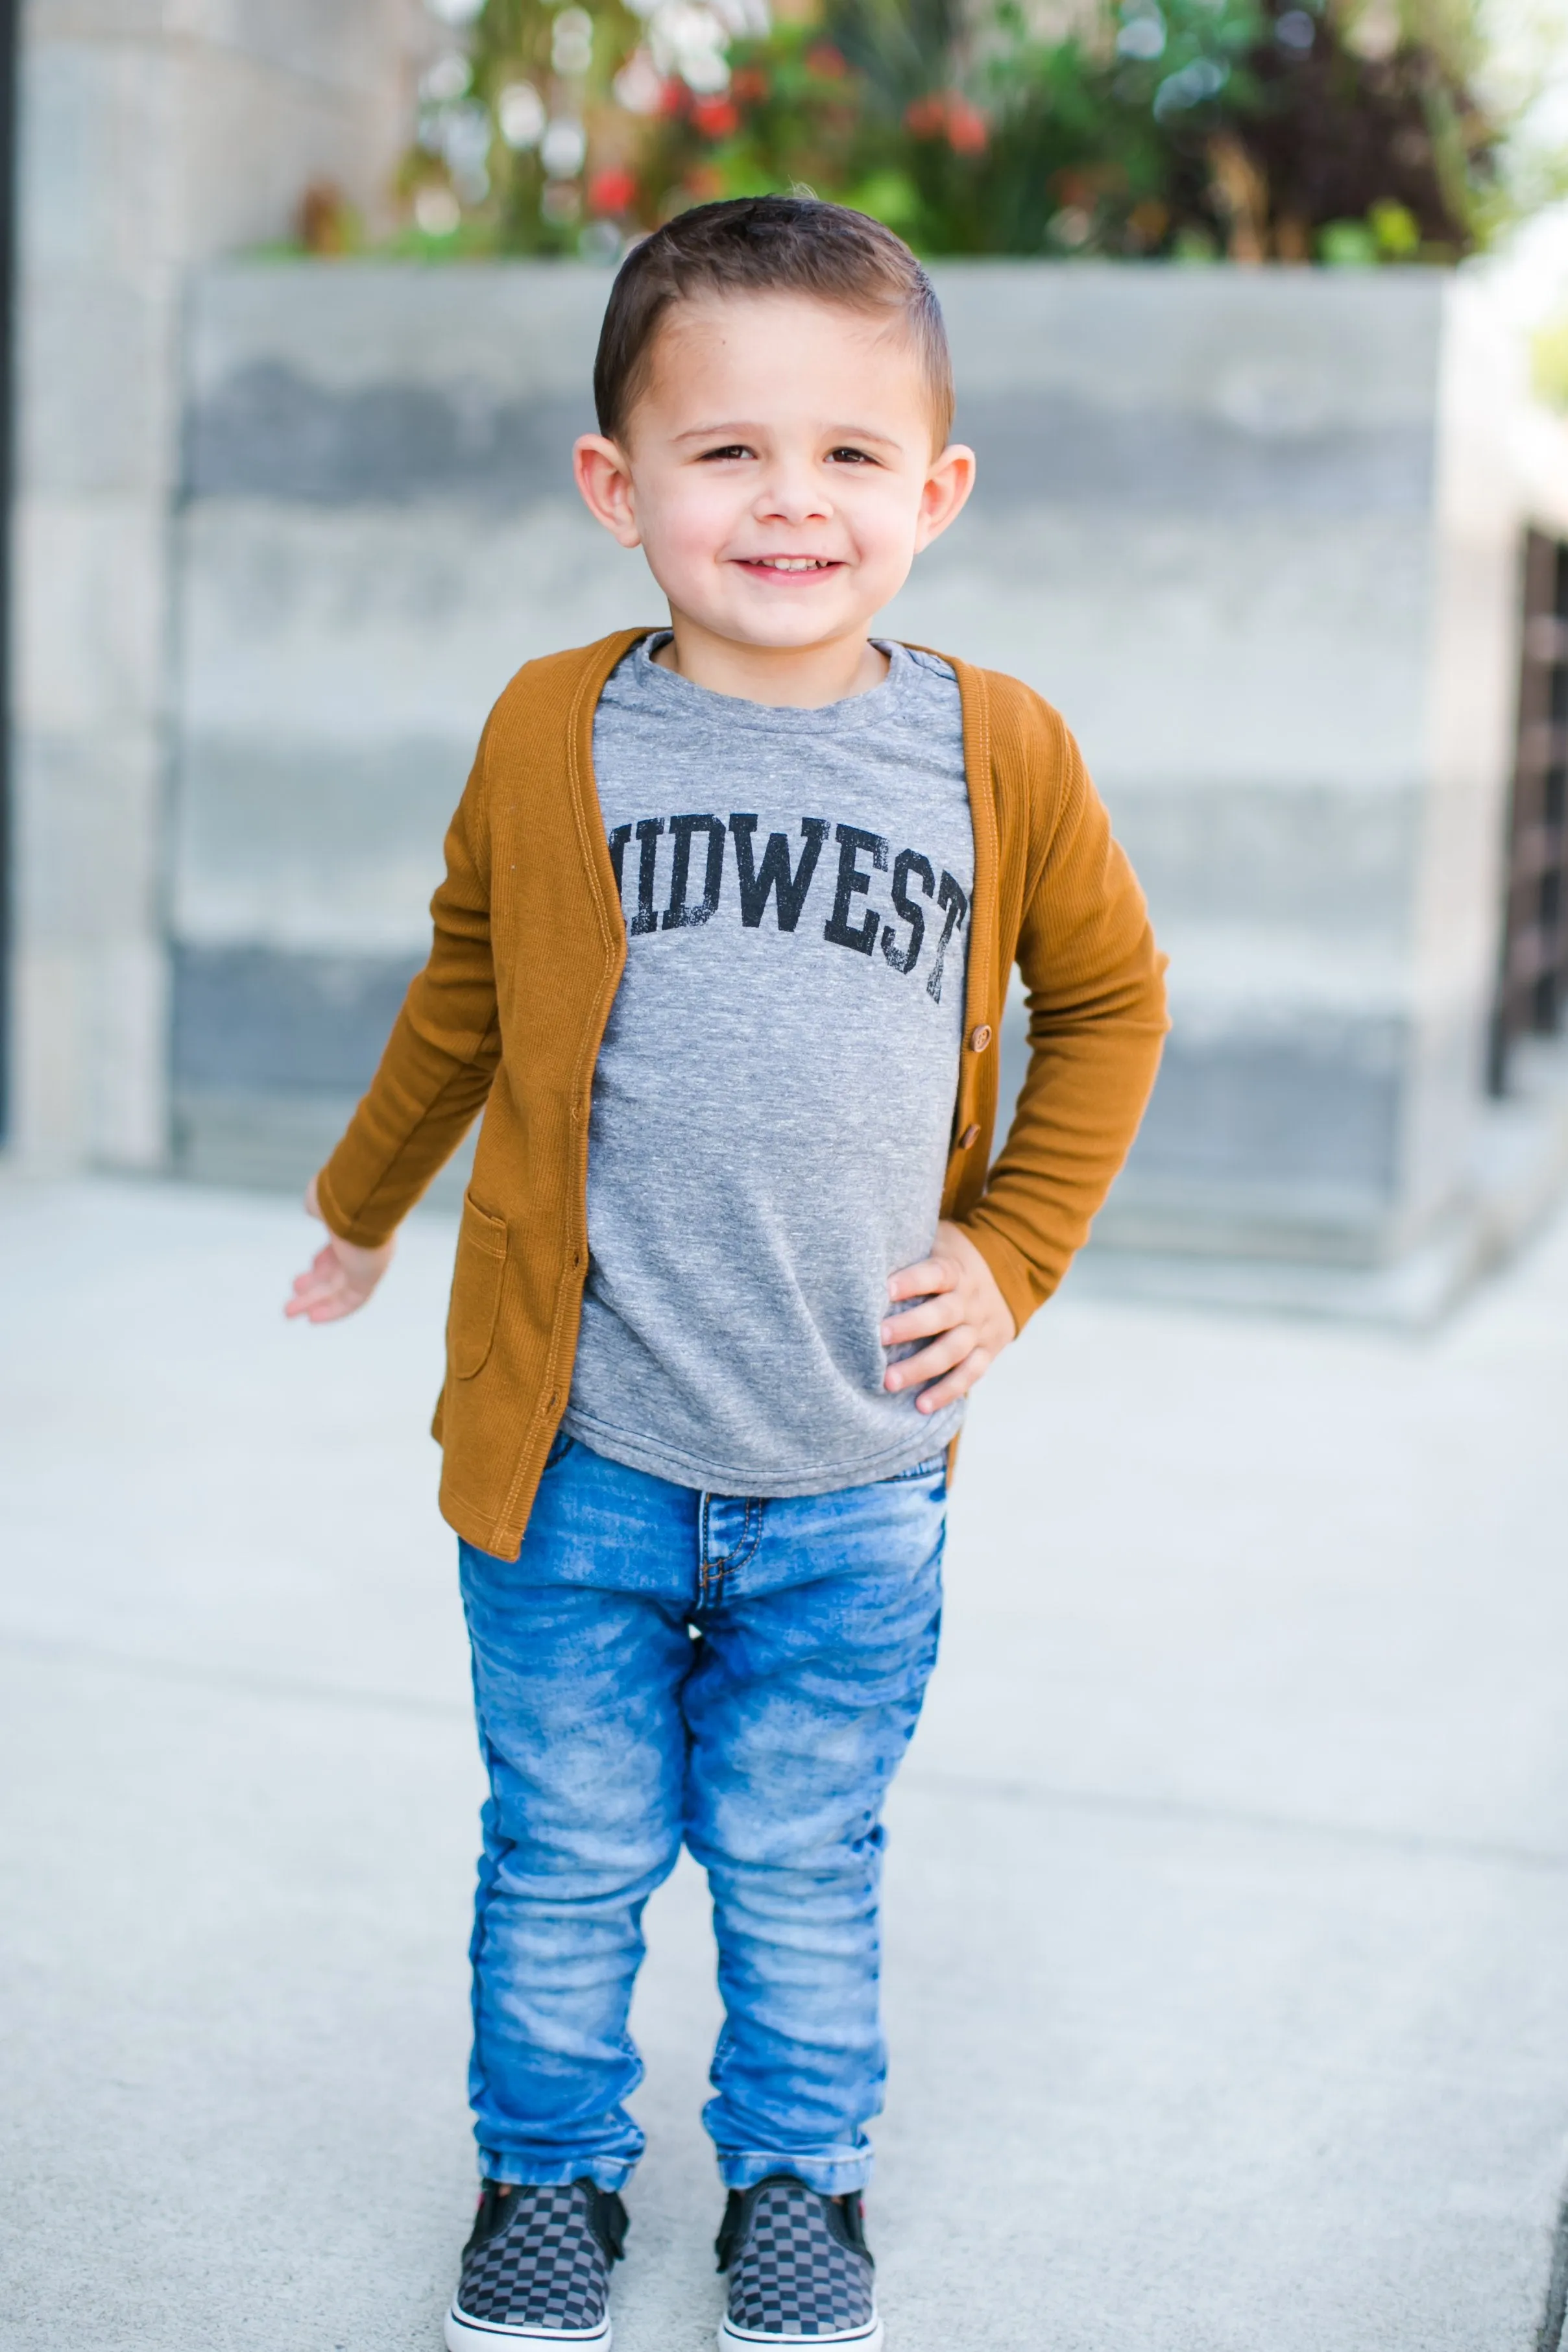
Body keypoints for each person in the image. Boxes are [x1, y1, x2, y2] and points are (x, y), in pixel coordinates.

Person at [285, 195, 1167, 2352]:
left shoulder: (1001, 752)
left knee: (797, 1867)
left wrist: (1016, 1249)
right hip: (576, 1451)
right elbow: (463, 998)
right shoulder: (546, 731)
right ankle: (551, 2180)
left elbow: (1116, 1002)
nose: (792, 500)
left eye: (853, 456)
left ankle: (798, 2179)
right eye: (726, 451)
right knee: (567, 1857)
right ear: (618, 487)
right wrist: (362, 1200)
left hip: (855, 1471)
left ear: (936, 492)